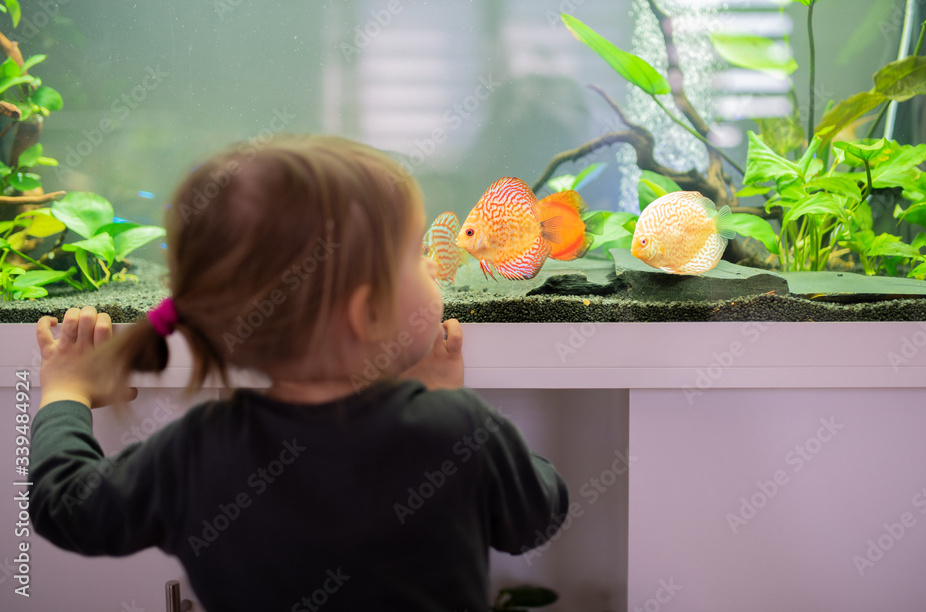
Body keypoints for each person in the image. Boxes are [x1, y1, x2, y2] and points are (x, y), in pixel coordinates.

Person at [29, 135, 568, 612]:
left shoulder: (196, 450)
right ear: (366, 314)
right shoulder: (454, 430)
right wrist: (442, 399)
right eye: (414, 253)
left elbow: (65, 505)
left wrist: (65, 390)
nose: (433, 264)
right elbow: (539, 516)